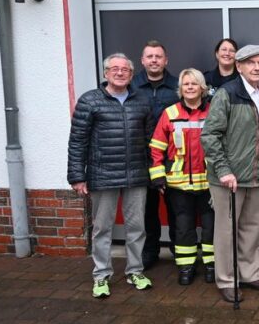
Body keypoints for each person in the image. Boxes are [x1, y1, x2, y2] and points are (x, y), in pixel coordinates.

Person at [201, 44, 259, 303]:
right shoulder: (227, 94)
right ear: (239, 67)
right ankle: (227, 280)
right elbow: (210, 135)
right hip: (229, 180)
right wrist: (224, 171)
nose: (257, 67)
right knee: (227, 232)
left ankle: (250, 274)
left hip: (257, 176)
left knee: (252, 229)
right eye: (251, 63)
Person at [67, 53, 154, 298]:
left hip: (136, 175)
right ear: (105, 73)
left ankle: (135, 271)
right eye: (114, 69)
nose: (119, 73)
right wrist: (77, 176)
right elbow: (77, 142)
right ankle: (101, 275)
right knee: (102, 228)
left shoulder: (142, 100)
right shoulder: (90, 101)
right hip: (102, 175)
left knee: (137, 227)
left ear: (131, 73)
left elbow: (150, 141)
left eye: (124, 69)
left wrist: (154, 175)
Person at [149, 69, 214, 286]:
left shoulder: (214, 112)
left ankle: (211, 265)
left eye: (194, 84)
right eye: (185, 84)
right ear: (180, 88)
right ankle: (186, 267)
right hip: (178, 184)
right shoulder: (170, 113)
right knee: (183, 228)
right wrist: (158, 177)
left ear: (202, 88)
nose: (189, 87)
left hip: (209, 183)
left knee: (210, 227)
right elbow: (157, 147)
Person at [131, 40, 180, 270]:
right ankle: (150, 251)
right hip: (141, 156)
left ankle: (179, 249)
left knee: (176, 207)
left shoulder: (176, 87)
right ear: (142, 60)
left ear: (166, 60)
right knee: (147, 209)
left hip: (172, 157)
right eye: (149, 56)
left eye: (158, 56)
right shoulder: (132, 86)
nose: (154, 60)